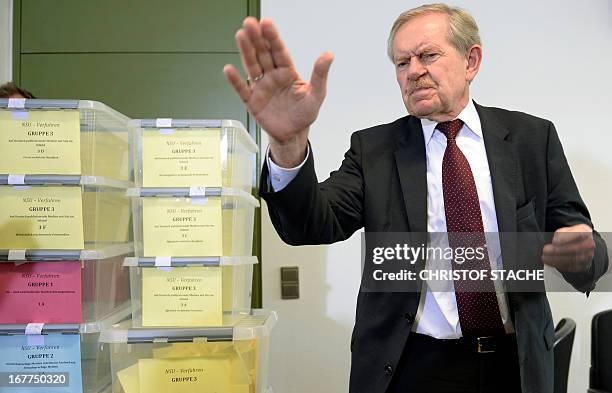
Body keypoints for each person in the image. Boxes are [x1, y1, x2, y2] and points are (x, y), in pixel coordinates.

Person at [224, 4, 608, 393]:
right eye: (401, 62)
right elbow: (310, 223)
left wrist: (582, 253)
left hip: (514, 367)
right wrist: (288, 145)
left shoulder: (531, 139)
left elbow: (585, 247)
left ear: (471, 61)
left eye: (428, 55)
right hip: (411, 368)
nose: (413, 71)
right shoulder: (374, 149)